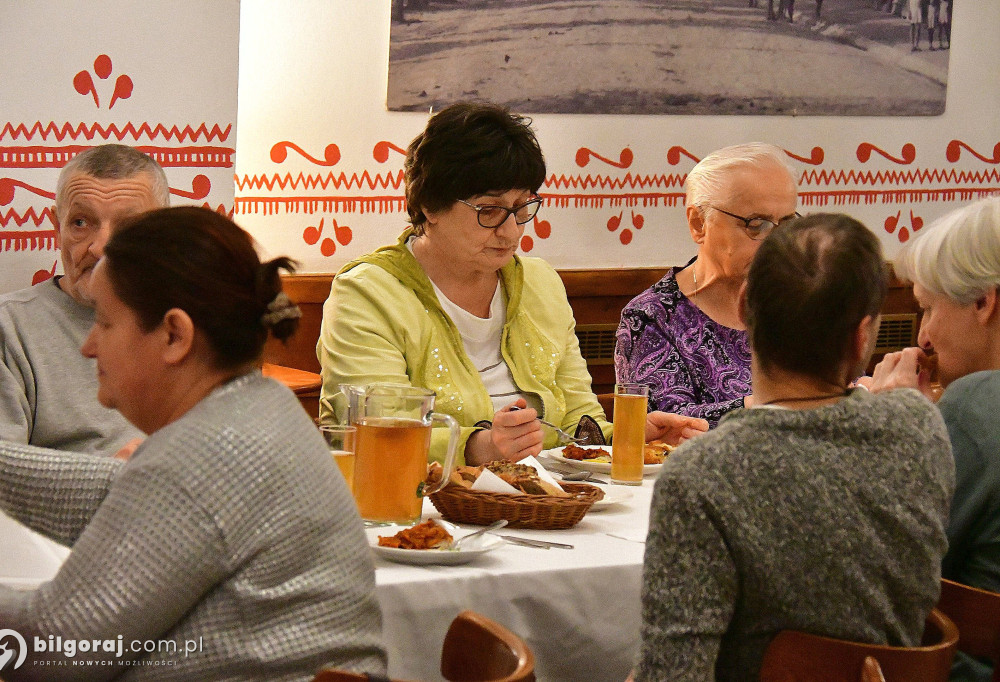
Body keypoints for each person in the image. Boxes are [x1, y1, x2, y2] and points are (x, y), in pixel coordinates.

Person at [0, 207, 386, 680]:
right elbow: (117, 493)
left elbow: (52, 654)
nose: (89, 346)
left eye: (105, 323)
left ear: (174, 335)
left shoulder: (204, 452)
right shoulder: (257, 406)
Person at [633, 214, 954, 682]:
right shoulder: (920, 427)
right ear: (862, 335)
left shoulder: (702, 471)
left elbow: (673, 674)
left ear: (744, 307)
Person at [319, 101, 707, 466]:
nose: (510, 230)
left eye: (522, 208)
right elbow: (376, 435)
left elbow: (576, 413)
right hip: (424, 499)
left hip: (544, 495)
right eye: (489, 210)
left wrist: (624, 437)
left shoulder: (540, 282)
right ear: (427, 206)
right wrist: (481, 448)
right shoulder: (368, 293)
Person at [866, 197, 1000, 682]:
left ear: (984, 302)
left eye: (927, 309)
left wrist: (896, 432)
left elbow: (877, 562)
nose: (923, 337)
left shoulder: (978, 402)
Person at [0, 144, 167, 456]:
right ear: (57, 227)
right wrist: (108, 474)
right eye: (81, 222)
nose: (101, 247)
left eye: (128, 226)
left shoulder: (188, 322)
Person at [615, 142, 799, 429]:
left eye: (786, 223)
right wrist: (762, 406)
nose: (776, 242)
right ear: (699, 223)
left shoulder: (802, 300)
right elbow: (664, 429)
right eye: (757, 224)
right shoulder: (652, 318)